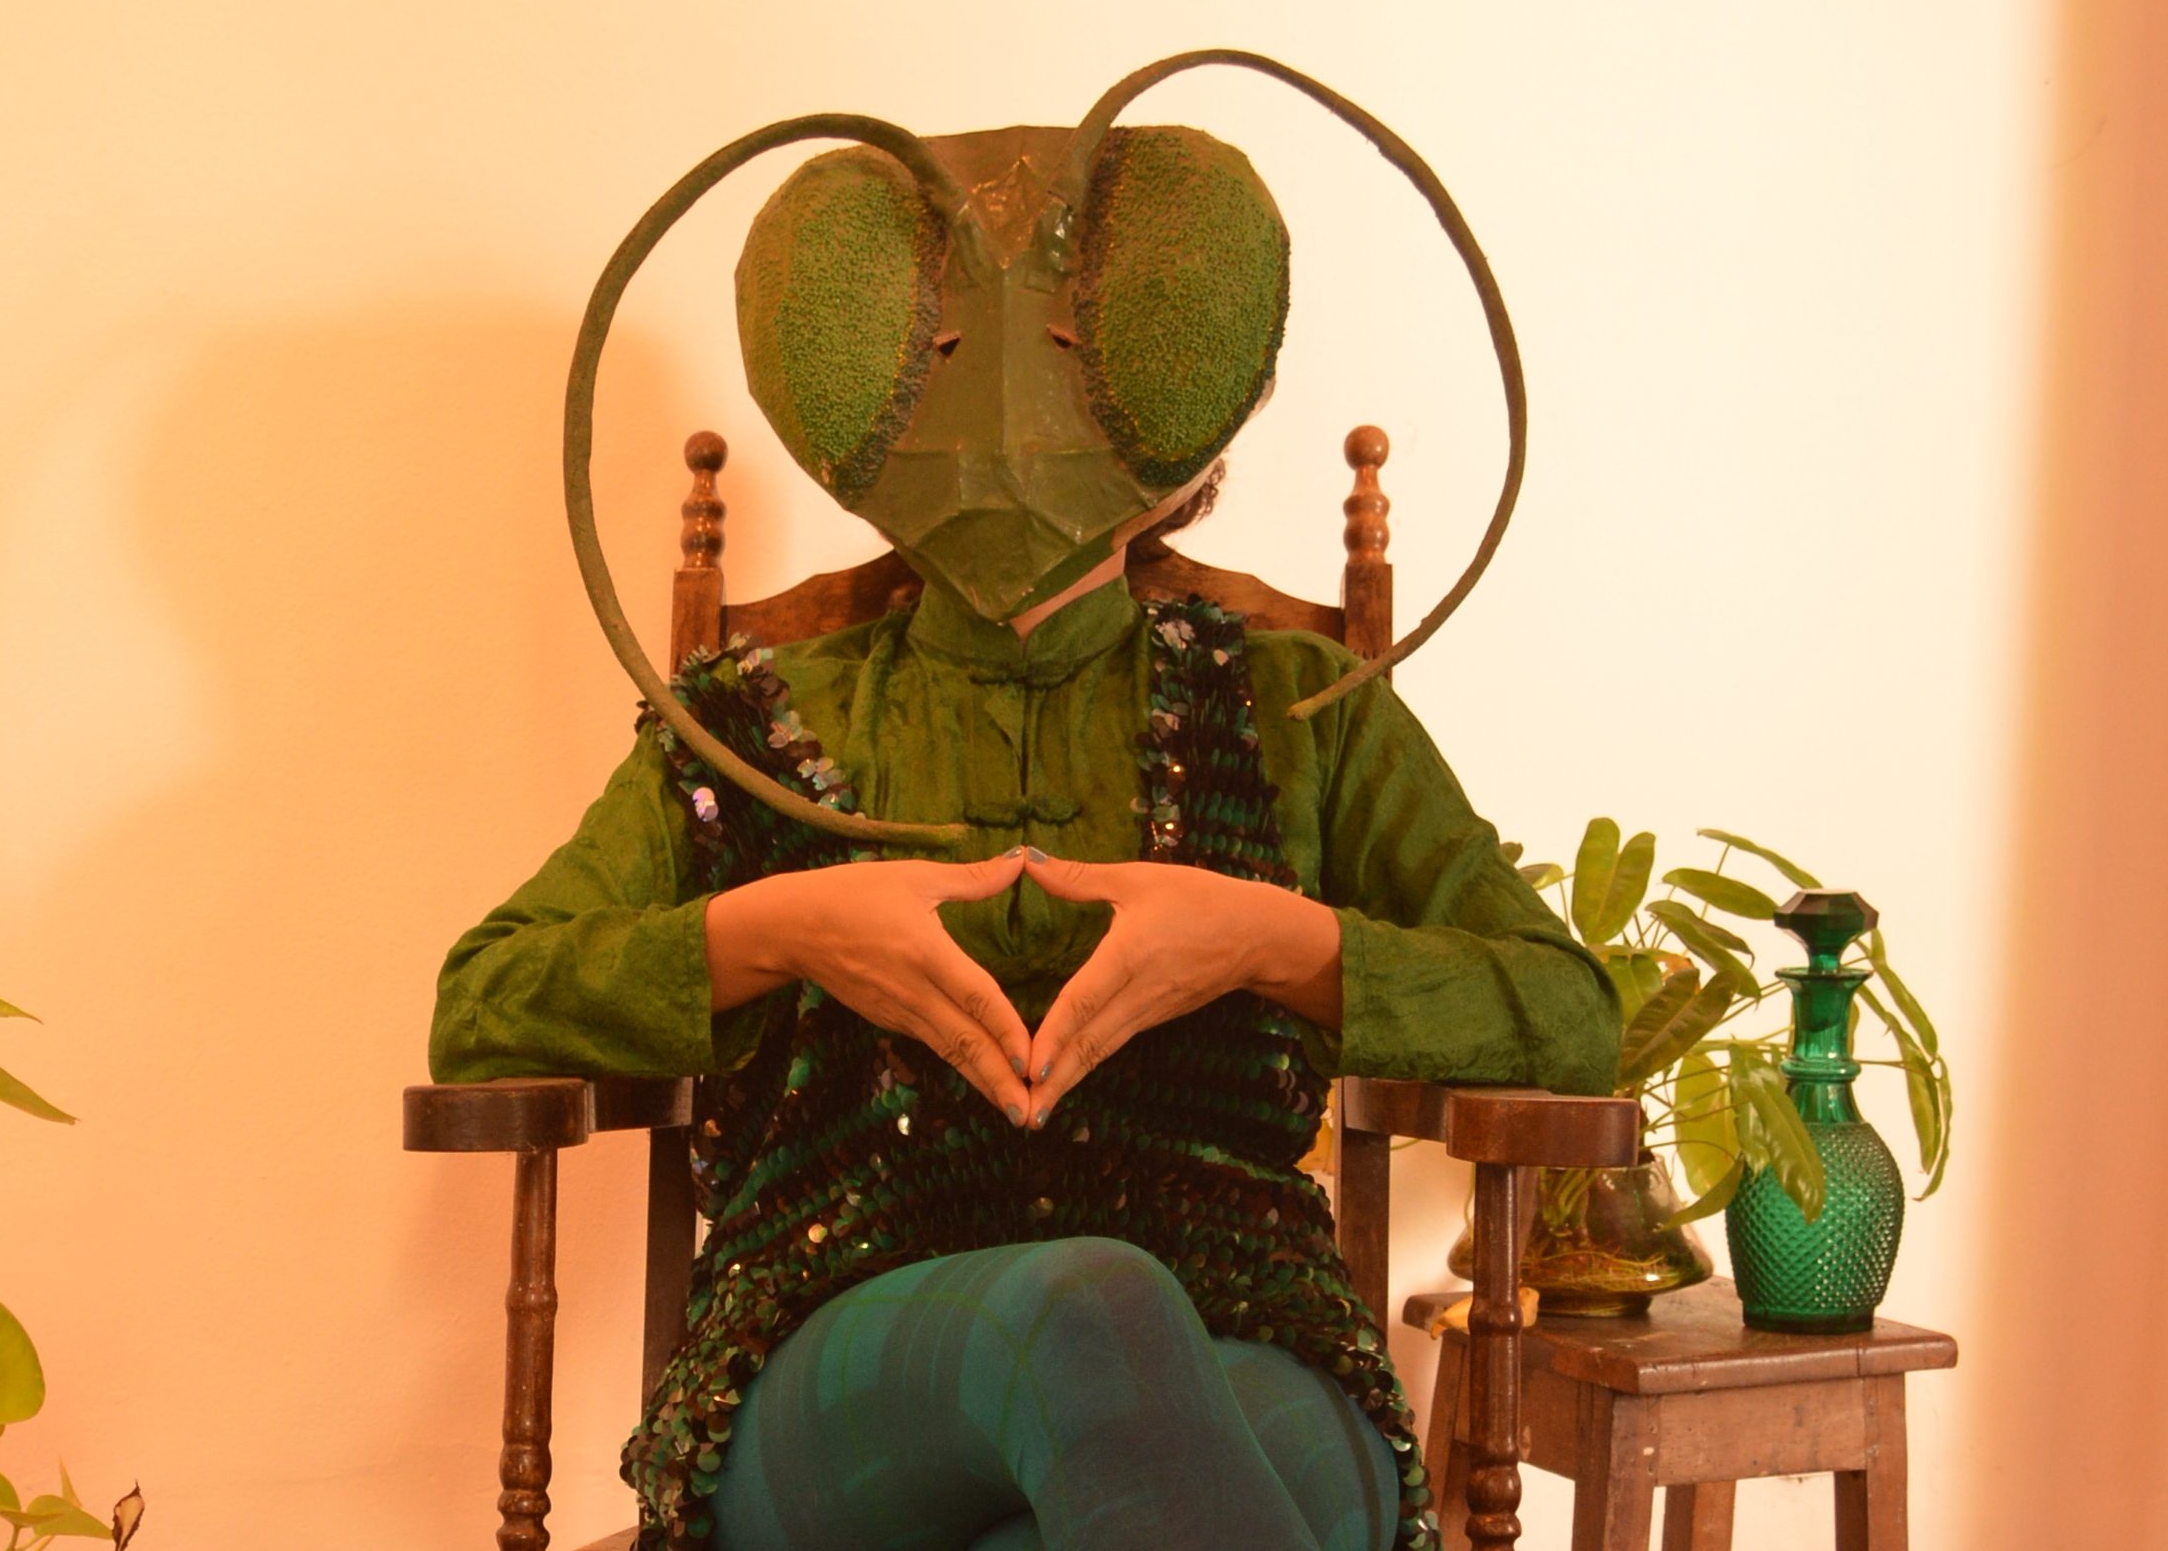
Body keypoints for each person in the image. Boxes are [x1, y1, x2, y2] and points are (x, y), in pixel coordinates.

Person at [431, 92, 1618, 1551]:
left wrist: (1274, 941)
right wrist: (779, 927)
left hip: (1239, 1314)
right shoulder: (744, 726)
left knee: (1109, 1470)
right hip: (840, 1336)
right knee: (1084, 1311)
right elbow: (484, 1002)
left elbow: (1569, 1015)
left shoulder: (1299, 710)